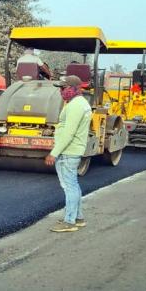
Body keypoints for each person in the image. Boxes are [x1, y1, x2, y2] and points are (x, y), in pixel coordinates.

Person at [44, 75, 92, 233]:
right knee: (73, 185)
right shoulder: (78, 103)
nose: (61, 91)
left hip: (68, 152)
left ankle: (69, 221)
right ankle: (78, 218)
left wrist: (54, 153)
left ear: (74, 89)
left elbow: (69, 133)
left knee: (69, 187)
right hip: (72, 150)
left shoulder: (76, 106)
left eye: (63, 88)